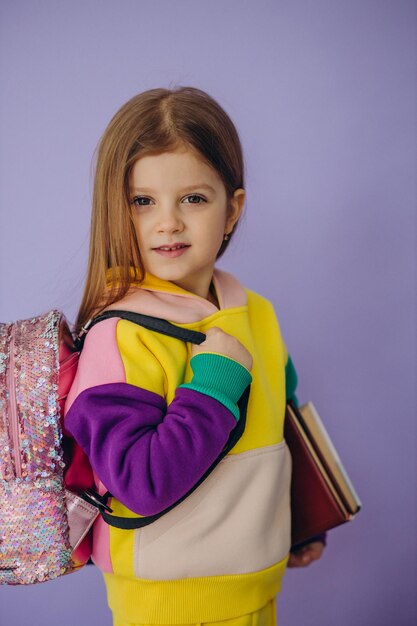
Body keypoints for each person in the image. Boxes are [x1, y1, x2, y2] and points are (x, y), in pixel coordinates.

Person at [64, 86, 325, 626]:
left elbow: (280, 426)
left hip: (256, 583)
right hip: (169, 604)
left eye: (194, 199)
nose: (168, 222)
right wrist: (214, 385)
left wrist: (302, 521)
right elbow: (140, 482)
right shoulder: (119, 336)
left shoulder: (257, 314)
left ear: (233, 209)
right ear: (117, 210)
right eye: (143, 201)